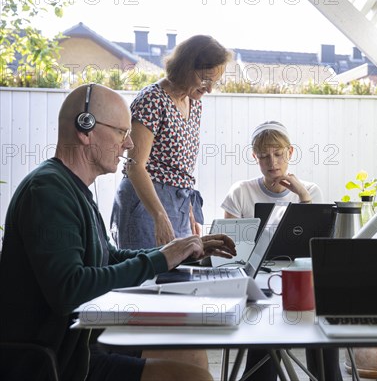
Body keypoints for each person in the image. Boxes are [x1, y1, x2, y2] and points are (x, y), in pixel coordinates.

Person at [0, 84, 236, 381]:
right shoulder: (47, 192)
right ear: (85, 129)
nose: (130, 145)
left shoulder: (71, 187)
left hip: (86, 343)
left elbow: (107, 256)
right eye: (121, 132)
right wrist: (160, 260)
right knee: (194, 377)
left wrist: (177, 251)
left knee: (191, 353)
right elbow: (70, 290)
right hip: (58, 362)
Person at [221, 121, 342, 381]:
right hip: (258, 284)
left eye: (278, 154)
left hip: (301, 280)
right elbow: (228, 251)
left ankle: (326, 376)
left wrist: (303, 199)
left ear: (291, 152)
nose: (272, 162)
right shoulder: (241, 192)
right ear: (255, 157)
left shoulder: (310, 191)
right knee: (264, 320)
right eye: (264, 156)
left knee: (324, 314)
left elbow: (318, 250)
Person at [111, 34, 232, 250]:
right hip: (146, 205)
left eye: (214, 82)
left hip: (179, 206)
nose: (209, 89)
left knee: (179, 274)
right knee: (144, 276)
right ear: (186, 68)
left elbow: (181, 169)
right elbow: (134, 166)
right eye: (205, 80)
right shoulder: (152, 99)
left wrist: (190, 213)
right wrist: (159, 215)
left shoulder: (193, 103)